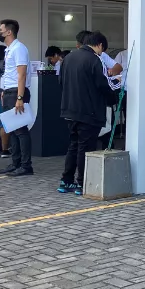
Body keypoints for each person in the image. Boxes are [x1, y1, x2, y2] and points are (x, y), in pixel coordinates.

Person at [58, 32, 117, 195]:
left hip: (70, 110)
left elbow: (61, 82)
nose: (101, 53)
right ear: (99, 45)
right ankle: (81, 182)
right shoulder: (94, 60)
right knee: (86, 148)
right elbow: (104, 85)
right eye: (102, 50)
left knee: (73, 145)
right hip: (89, 112)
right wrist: (115, 98)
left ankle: (66, 181)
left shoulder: (68, 58)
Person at [0, 19, 33, 176]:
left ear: (9, 32)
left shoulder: (19, 49)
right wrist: (4, 90)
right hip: (9, 91)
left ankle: (26, 165)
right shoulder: (9, 49)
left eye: (1, 29)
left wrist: (20, 97)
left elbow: (21, 74)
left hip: (17, 93)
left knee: (20, 130)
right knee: (11, 129)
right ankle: (16, 162)